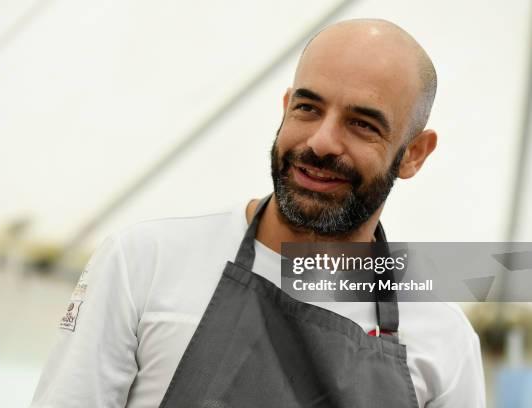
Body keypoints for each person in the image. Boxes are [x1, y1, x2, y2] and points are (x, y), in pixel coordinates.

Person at [30, 18, 485, 407]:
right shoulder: (144, 262)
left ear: (414, 155)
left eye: (362, 124)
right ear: (286, 107)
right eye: (308, 108)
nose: (322, 142)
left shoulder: (443, 338)